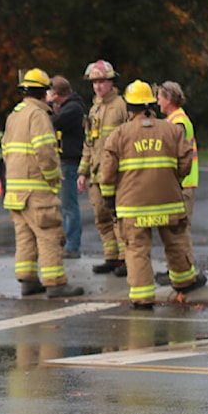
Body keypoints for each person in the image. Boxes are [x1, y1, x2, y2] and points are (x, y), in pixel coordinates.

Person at [100, 80, 206, 309]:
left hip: (133, 207)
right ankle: (184, 281)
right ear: (151, 104)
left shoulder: (119, 134)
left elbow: (107, 173)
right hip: (169, 203)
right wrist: (173, 180)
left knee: (137, 249)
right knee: (176, 242)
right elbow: (186, 162)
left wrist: (109, 200)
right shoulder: (170, 129)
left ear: (129, 107)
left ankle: (142, 298)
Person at [1, 68, 84, 298]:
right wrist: (52, 178)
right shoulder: (38, 115)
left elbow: (5, 150)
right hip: (36, 191)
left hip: (16, 192)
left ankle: (28, 281)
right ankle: (55, 283)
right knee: (49, 235)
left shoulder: (14, 115)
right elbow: (45, 152)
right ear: (43, 93)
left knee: (25, 236)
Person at [76, 59, 128, 277]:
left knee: (119, 216)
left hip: (116, 174)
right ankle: (112, 257)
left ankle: (126, 258)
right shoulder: (94, 107)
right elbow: (89, 143)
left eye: (101, 82)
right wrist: (82, 171)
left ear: (111, 82)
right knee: (101, 216)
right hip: (96, 174)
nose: (98, 86)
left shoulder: (121, 106)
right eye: (94, 82)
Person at [155, 81, 203, 286]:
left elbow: (175, 153)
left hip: (183, 183)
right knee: (176, 229)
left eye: (160, 97)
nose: (157, 102)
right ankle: (177, 269)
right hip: (180, 183)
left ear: (169, 99)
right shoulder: (173, 120)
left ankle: (186, 271)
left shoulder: (179, 122)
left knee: (181, 229)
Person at [47, 76, 86, 258]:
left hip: (70, 162)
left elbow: (53, 123)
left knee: (70, 207)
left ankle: (72, 246)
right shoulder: (68, 107)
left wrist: (48, 106)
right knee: (65, 206)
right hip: (65, 160)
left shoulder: (73, 109)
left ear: (55, 93)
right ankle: (68, 243)